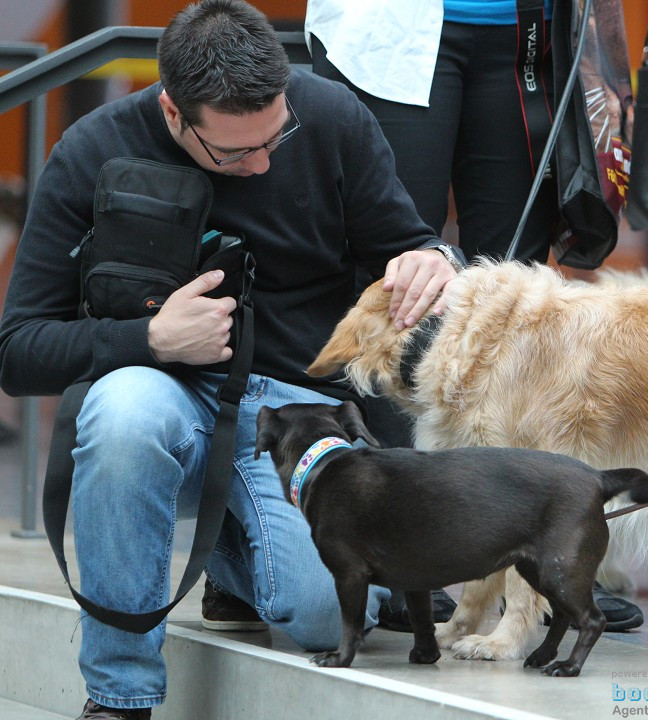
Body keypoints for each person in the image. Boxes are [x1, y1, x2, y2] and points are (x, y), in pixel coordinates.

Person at [0, 1, 464, 718]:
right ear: (173, 113)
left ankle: (231, 550)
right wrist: (149, 341)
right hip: (161, 405)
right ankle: (119, 695)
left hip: (299, 413)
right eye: (235, 153)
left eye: (275, 136)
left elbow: (405, 243)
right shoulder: (93, 149)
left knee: (319, 614)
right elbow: (17, 350)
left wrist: (433, 260)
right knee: (124, 410)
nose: (263, 161)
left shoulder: (332, 117)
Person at [304, 0, 644, 631]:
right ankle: (403, 560)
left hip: (527, 36)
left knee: (516, 304)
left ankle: (543, 572)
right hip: (395, 31)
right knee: (393, 281)